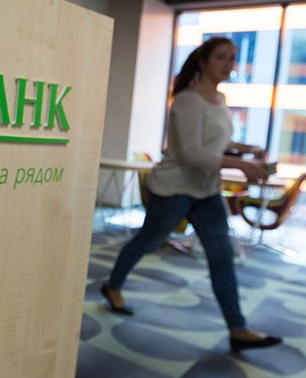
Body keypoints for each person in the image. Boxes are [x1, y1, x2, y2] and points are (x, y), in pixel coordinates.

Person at [99, 36, 282, 353]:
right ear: (202, 61)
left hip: (206, 190)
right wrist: (240, 164)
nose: (229, 64)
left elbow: (216, 142)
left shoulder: (220, 99)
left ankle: (237, 328)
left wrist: (247, 149)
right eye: (221, 57)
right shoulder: (186, 101)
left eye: (232, 58)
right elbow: (191, 153)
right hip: (174, 188)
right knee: (148, 241)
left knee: (222, 256)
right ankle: (113, 285)